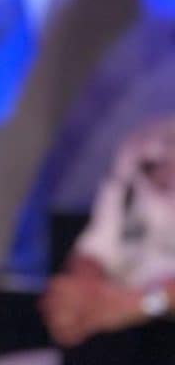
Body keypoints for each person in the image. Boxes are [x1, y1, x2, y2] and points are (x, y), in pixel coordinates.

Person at [39, 115, 175, 364]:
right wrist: (83, 292)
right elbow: (97, 245)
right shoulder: (146, 143)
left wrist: (139, 304)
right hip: (120, 320)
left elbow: (150, 303)